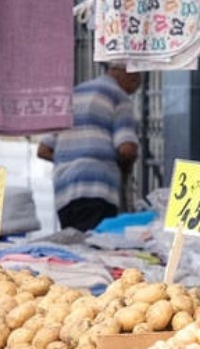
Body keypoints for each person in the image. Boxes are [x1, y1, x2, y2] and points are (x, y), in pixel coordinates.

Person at [36, 64, 142, 233]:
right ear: (131, 75)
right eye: (136, 84)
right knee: (93, 250)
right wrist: (125, 167)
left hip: (64, 191)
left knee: (74, 249)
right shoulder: (119, 97)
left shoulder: (72, 95)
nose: (134, 89)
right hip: (98, 187)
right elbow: (126, 149)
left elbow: (43, 150)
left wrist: (71, 158)